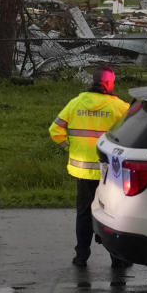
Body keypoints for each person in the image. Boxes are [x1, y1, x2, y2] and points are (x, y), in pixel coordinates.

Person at [49, 68, 130, 268]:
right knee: (112, 215)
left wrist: (69, 147)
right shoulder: (120, 107)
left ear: (93, 81)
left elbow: (55, 129)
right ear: (110, 83)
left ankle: (81, 256)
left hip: (82, 170)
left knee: (84, 214)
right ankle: (118, 259)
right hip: (109, 172)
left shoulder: (76, 103)